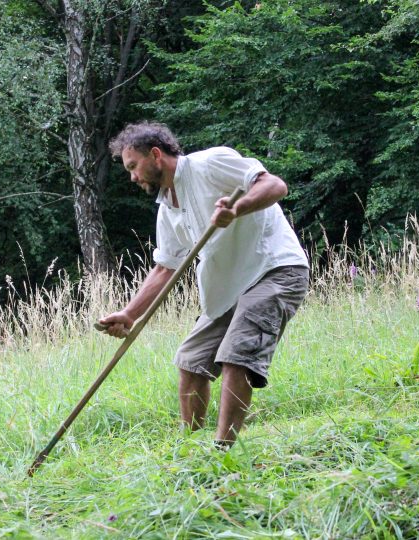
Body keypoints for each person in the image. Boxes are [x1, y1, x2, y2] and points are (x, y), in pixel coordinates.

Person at [99, 122, 309, 448]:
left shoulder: (209, 164)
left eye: (133, 166)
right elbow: (165, 268)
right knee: (191, 361)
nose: (132, 177)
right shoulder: (168, 208)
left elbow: (275, 185)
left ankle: (222, 452)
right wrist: (130, 315)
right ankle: (192, 449)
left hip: (274, 269)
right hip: (229, 287)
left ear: (155, 155)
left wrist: (237, 209)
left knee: (236, 355)